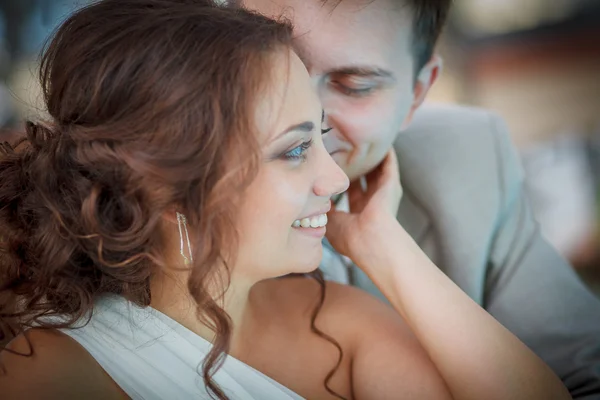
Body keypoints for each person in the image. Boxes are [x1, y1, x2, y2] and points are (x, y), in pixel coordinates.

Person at [0, 0, 573, 399]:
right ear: (166, 185)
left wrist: (383, 246)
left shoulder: (340, 326)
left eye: (321, 134)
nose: (338, 180)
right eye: (296, 149)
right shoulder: (48, 379)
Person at [238, 0, 600, 397]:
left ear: (417, 93)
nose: (311, 114)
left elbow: (584, 381)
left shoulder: (469, 156)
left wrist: (383, 247)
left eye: (353, 86)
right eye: (273, 70)